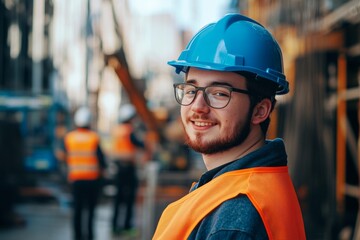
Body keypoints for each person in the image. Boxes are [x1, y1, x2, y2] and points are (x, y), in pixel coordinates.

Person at [153, 13, 306, 240]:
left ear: (260, 110)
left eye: (219, 93)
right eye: (191, 90)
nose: (198, 106)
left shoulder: (235, 218)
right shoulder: (247, 185)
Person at [63, 107, 106, 240]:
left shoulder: (70, 138)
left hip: (76, 180)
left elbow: (64, 156)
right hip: (92, 180)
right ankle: (90, 236)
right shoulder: (93, 138)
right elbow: (101, 160)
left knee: (77, 211)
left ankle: (77, 236)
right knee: (90, 212)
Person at [111, 104, 146, 236]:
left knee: (118, 199)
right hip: (128, 168)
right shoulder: (129, 131)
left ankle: (115, 226)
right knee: (129, 198)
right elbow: (140, 144)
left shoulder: (117, 130)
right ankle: (126, 226)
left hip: (118, 168)